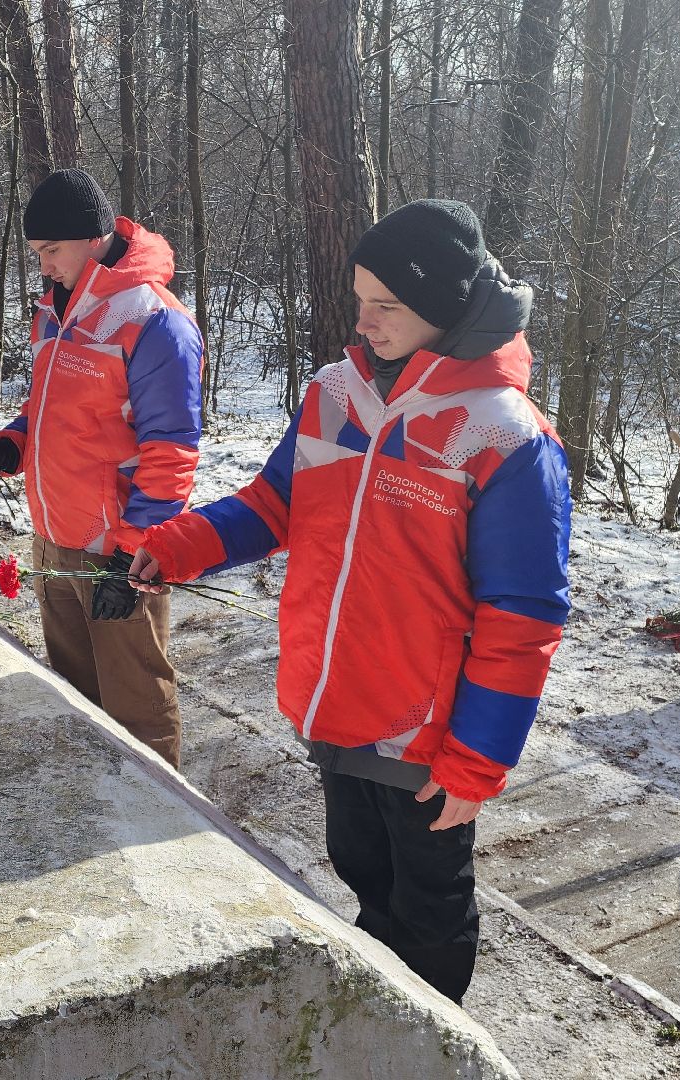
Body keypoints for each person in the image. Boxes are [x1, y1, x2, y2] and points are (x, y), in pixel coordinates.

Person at [127, 199, 570, 1002]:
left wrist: (476, 764)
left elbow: (525, 617)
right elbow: (273, 506)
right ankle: (376, 1005)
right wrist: (176, 545)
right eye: (360, 298)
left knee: (429, 903)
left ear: (439, 305)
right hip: (335, 694)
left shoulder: (503, 435)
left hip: (426, 732)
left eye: (386, 306)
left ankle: (430, 1034)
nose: (364, 321)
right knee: (362, 869)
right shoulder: (336, 393)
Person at [0, 169, 205, 767]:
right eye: (37, 253)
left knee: (137, 702)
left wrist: (134, 554)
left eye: (51, 251)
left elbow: (171, 451)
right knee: (74, 694)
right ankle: (92, 804)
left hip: (117, 551)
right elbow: (48, 410)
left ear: (93, 238)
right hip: (53, 539)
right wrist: (10, 447)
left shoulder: (155, 322)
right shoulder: (52, 311)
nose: (42, 266)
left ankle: (163, 815)